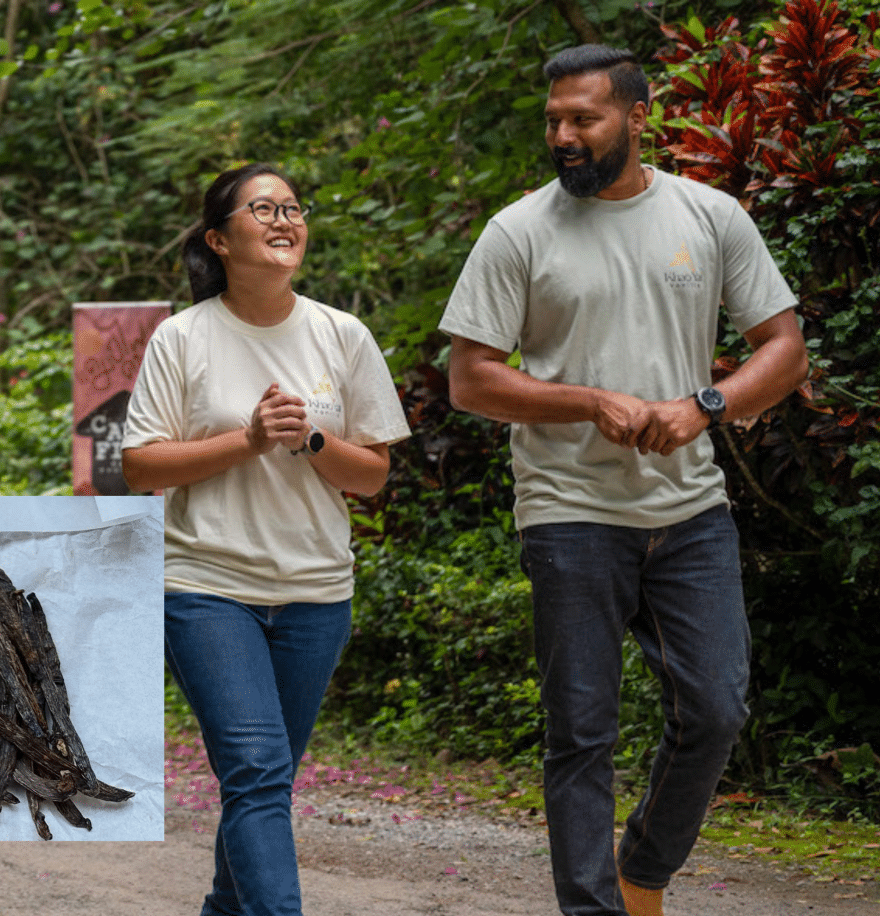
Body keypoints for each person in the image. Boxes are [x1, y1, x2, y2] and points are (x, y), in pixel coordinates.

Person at [439, 45, 808, 916]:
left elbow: (784, 349)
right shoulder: (517, 231)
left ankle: (642, 869)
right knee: (581, 732)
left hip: (689, 507)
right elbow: (471, 379)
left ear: (638, 117)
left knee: (717, 708)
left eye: (584, 119)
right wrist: (585, 400)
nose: (564, 137)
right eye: (554, 121)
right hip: (568, 512)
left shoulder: (709, 216)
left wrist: (703, 407)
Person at [122, 163, 410, 916]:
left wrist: (312, 439)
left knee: (265, 781)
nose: (285, 221)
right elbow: (141, 465)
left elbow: (374, 475)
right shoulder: (182, 338)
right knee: (254, 770)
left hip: (317, 594)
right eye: (263, 210)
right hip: (207, 589)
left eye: (292, 209)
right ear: (219, 239)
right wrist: (246, 440)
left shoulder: (341, 334)